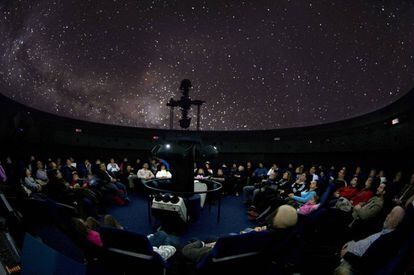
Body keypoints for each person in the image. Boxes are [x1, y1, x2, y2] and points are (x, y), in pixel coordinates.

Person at [182, 204, 298, 263]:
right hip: (239, 251)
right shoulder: (283, 237)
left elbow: (229, 241)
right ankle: (201, 243)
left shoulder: (259, 236)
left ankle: (198, 243)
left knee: (188, 247)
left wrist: (207, 245)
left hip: (222, 254)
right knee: (209, 238)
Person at [335, 206, 405, 275]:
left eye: (391, 215)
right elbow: (365, 240)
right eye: (389, 213)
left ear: (397, 222)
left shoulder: (387, 240)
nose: (387, 216)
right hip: (349, 251)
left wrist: (347, 254)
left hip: (351, 265)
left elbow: (366, 264)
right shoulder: (384, 231)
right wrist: (352, 243)